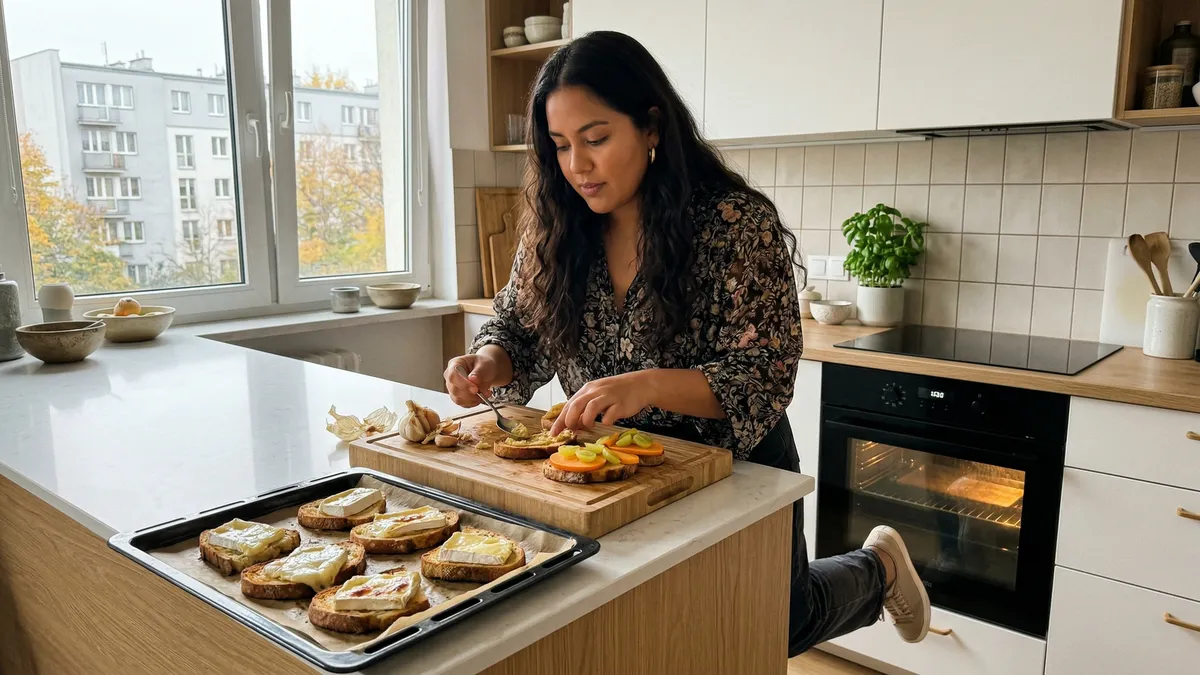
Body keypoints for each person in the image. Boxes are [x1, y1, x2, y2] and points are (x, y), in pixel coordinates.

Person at [443, 31, 930, 655]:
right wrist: (488, 359)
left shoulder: (733, 224)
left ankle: (878, 568)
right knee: (655, 627)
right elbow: (515, 324)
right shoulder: (559, 230)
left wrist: (646, 385)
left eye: (595, 139)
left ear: (650, 126)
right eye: (560, 146)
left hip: (736, 469)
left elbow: (766, 373)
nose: (577, 166)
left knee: (776, 624)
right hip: (614, 473)